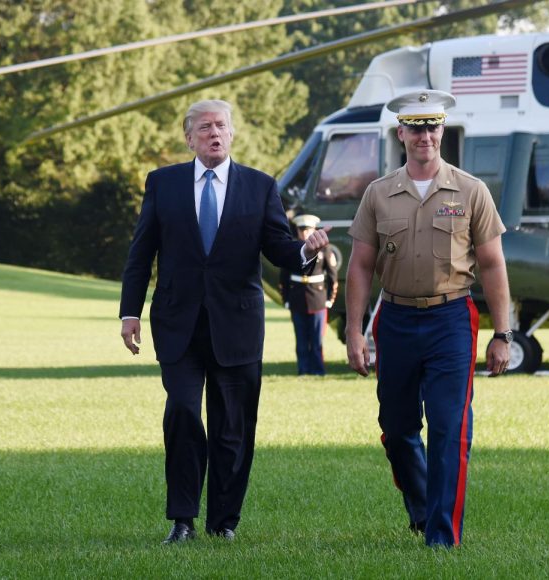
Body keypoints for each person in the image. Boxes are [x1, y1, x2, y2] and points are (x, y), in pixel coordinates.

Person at [119, 99, 330, 544]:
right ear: (189, 137)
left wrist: (307, 251)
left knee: (233, 427)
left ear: (232, 134)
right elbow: (141, 253)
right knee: (181, 411)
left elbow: (278, 248)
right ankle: (182, 519)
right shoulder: (164, 184)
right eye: (204, 127)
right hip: (178, 324)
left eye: (221, 126)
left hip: (237, 325)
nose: (214, 133)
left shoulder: (259, 186)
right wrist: (129, 312)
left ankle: (224, 523)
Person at [344, 90, 512, 548]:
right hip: (395, 320)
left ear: (442, 131)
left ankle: (442, 535)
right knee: (397, 431)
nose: (424, 135)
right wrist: (354, 330)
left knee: (448, 428)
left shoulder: (471, 190)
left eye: (432, 126)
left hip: (451, 319)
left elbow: (493, 264)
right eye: (414, 127)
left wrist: (503, 333)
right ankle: (422, 507)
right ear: (400, 133)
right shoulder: (378, 194)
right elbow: (359, 265)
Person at [278, 214, 339, 375]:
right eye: (301, 230)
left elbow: (332, 276)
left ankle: (318, 369)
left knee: (317, 339)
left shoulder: (325, 249)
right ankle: (303, 370)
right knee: (301, 339)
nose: (305, 234)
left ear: (314, 230)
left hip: (318, 300)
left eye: (308, 230)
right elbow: (283, 278)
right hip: (297, 300)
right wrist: (286, 299)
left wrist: (329, 300)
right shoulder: (292, 249)